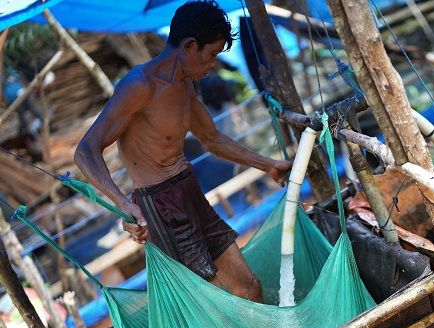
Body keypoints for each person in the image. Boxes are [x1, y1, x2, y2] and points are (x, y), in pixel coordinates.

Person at [74, 0, 291, 303]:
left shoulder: (185, 83)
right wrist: (124, 204)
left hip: (189, 190)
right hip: (160, 206)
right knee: (215, 303)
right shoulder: (140, 85)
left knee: (249, 287)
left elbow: (212, 139)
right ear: (190, 45)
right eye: (212, 54)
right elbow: (85, 151)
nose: (213, 64)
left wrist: (267, 164)